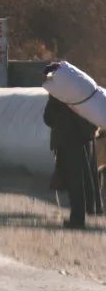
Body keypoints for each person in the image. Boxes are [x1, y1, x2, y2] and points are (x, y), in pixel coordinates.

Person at [43, 63, 99, 229]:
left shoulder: (57, 95)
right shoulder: (81, 90)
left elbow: (48, 119)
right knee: (86, 178)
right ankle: (88, 211)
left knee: (74, 181)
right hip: (85, 140)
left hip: (68, 142)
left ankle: (77, 219)